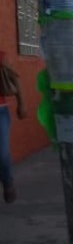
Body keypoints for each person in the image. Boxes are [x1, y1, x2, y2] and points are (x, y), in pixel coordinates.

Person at [0, 51, 27, 204]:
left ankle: (8, 183)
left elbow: (15, 79)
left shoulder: (2, 56)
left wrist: (22, 104)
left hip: (0, 111)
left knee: (2, 153)